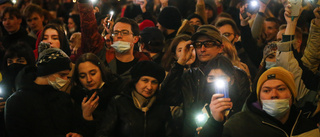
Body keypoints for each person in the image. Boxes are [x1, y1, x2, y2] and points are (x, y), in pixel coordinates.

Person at [161, 24, 250, 136]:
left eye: (208, 44)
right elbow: (167, 97)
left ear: (220, 47)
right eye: (198, 45)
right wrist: (181, 62)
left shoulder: (237, 74)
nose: (202, 49)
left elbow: (243, 109)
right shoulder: (189, 75)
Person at [199, 67, 320, 137]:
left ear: (292, 94)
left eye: (281, 89)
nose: (274, 95)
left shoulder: (309, 129)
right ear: (259, 97)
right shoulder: (239, 125)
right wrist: (214, 124)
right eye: (266, 90)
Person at [5, 48, 84, 136]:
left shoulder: (63, 98)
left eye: (67, 75)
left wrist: (77, 133)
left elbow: (72, 125)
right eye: (62, 75)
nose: (65, 80)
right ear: (46, 72)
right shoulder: (17, 101)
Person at [96, 61, 175, 137]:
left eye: (154, 82)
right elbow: (104, 133)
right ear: (135, 81)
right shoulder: (119, 103)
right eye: (145, 80)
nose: (149, 87)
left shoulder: (162, 107)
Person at [78, 0, 150, 81]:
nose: (119, 36)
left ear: (135, 39)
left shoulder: (144, 66)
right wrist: (85, 4)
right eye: (116, 33)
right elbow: (89, 32)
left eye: (124, 33)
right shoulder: (103, 58)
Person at [70, 53, 121, 136]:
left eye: (93, 73)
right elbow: (77, 127)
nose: (89, 79)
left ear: (101, 71)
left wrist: (88, 117)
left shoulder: (116, 92)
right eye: (83, 76)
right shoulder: (77, 96)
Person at [0, 42, 35, 137]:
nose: (14, 65)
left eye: (20, 61)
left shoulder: (35, 85)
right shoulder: (3, 85)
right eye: (10, 62)